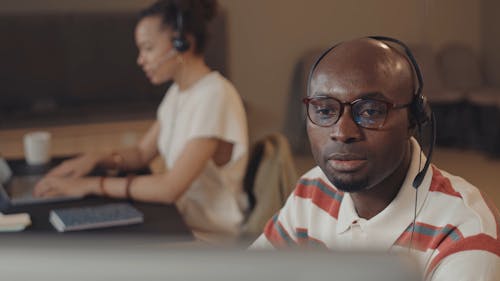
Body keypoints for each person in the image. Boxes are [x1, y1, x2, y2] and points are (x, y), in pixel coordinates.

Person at [251, 37, 499, 281]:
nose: (343, 132)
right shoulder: (313, 189)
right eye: (325, 110)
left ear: (414, 120)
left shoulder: (464, 231)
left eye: (370, 111)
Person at [34, 0, 249, 241]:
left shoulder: (214, 95)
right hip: (179, 219)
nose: (140, 60)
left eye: (147, 48)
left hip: (206, 236)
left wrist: (90, 185)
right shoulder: (179, 93)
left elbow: (169, 188)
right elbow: (141, 153)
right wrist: (94, 159)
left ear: (181, 43)